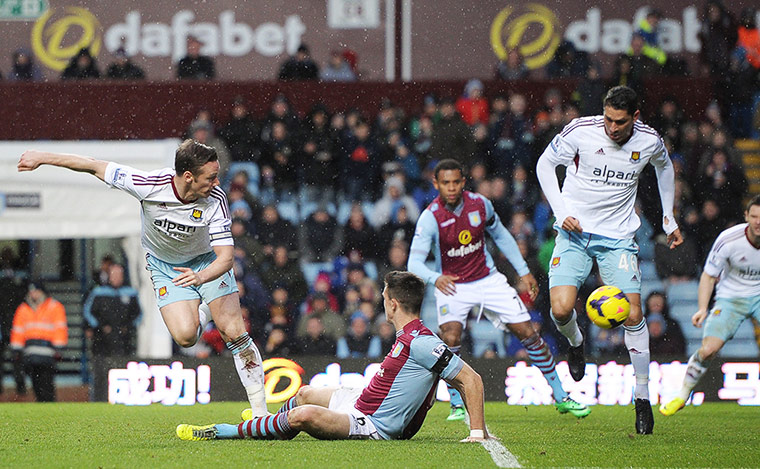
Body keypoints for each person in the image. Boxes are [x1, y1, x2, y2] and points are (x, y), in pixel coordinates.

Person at [17, 140, 268, 417]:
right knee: (185, 336)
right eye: (210, 176)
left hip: (207, 263)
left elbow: (226, 258)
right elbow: (93, 165)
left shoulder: (216, 199)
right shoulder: (148, 183)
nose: (217, 181)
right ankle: (206, 307)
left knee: (234, 332)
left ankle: (260, 414)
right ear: (188, 177)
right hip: (165, 265)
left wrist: (201, 277)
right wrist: (42, 157)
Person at [177, 271, 493, 443]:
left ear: (393, 304)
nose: (382, 302)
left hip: (372, 423)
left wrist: (477, 433)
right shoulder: (409, 336)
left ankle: (224, 430)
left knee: (304, 415)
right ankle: (269, 424)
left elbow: (471, 379)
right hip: (361, 402)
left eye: (384, 297)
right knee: (304, 393)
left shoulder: (422, 342)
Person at [535, 85, 683, 434]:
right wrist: (561, 212)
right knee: (559, 309)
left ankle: (642, 397)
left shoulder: (648, 140)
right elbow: (545, 164)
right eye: (608, 119)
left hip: (617, 238)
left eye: (619, 122)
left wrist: (668, 216)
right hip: (574, 233)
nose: (612, 128)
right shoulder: (580, 131)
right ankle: (576, 344)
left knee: (633, 313)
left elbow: (665, 168)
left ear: (635, 117)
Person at [408, 159, 589, 421]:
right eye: (445, 183)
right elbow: (414, 262)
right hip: (452, 285)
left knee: (528, 332)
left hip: (487, 279)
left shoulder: (480, 205)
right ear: (436, 184)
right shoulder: (430, 217)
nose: (451, 188)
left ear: (463, 182)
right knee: (450, 336)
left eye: (455, 182)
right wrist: (435, 278)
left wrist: (523, 270)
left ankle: (561, 396)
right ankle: (457, 403)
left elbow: (502, 236)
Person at [660, 196, 760, 416]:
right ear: (746, 216)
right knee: (709, 349)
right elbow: (708, 275)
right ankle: (682, 395)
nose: (758, 222)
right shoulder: (729, 239)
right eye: (754, 216)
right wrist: (703, 308)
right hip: (731, 298)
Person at [9, 281, 67, 402]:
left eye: (36, 291)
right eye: (31, 292)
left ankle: (48, 404)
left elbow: (59, 328)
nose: (33, 294)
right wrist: (16, 349)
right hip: (31, 353)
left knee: (46, 383)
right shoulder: (23, 309)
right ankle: (42, 403)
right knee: (36, 384)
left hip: (47, 352)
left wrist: (59, 348)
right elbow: (18, 331)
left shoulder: (54, 307)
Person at [83, 263, 141, 356]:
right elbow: (88, 312)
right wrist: (100, 326)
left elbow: (138, 314)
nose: (116, 278)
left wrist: (127, 327)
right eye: (114, 274)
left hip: (123, 339)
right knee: (101, 363)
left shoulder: (131, 292)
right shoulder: (98, 292)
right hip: (101, 338)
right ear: (109, 275)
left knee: (122, 364)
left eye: (119, 275)